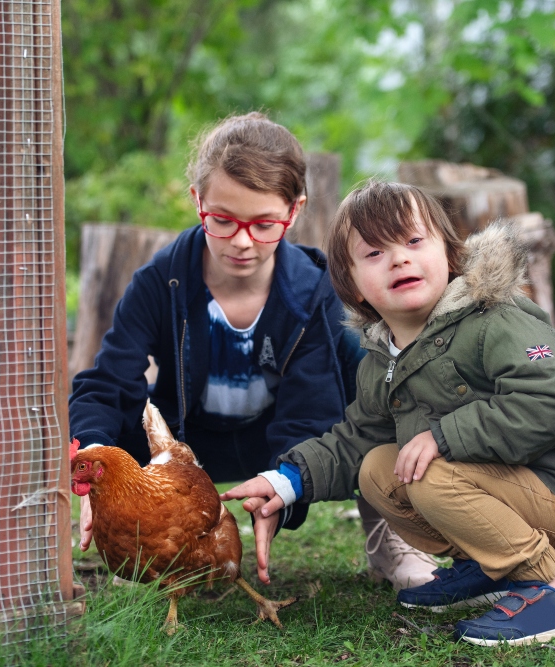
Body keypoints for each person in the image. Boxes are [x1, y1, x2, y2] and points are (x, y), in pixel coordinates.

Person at [223, 180, 555, 646]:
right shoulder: (381, 358)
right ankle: (489, 569)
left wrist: (444, 436)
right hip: (505, 498)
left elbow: (553, 398)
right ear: (352, 285)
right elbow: (359, 439)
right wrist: (286, 482)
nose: (399, 258)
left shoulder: (494, 318)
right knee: (378, 468)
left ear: (449, 255)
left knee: (429, 471)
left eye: (414, 241)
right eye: (374, 253)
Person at [68, 114, 438, 588]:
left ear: (294, 209)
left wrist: (284, 491)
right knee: (112, 416)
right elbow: (109, 380)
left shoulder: (314, 290)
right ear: (197, 200)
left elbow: (311, 409)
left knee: (370, 369)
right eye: (222, 220)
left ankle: (392, 530)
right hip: (186, 443)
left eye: (264, 224)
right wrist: (98, 460)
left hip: (281, 436)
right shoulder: (160, 281)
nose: (242, 242)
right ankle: (142, 541)